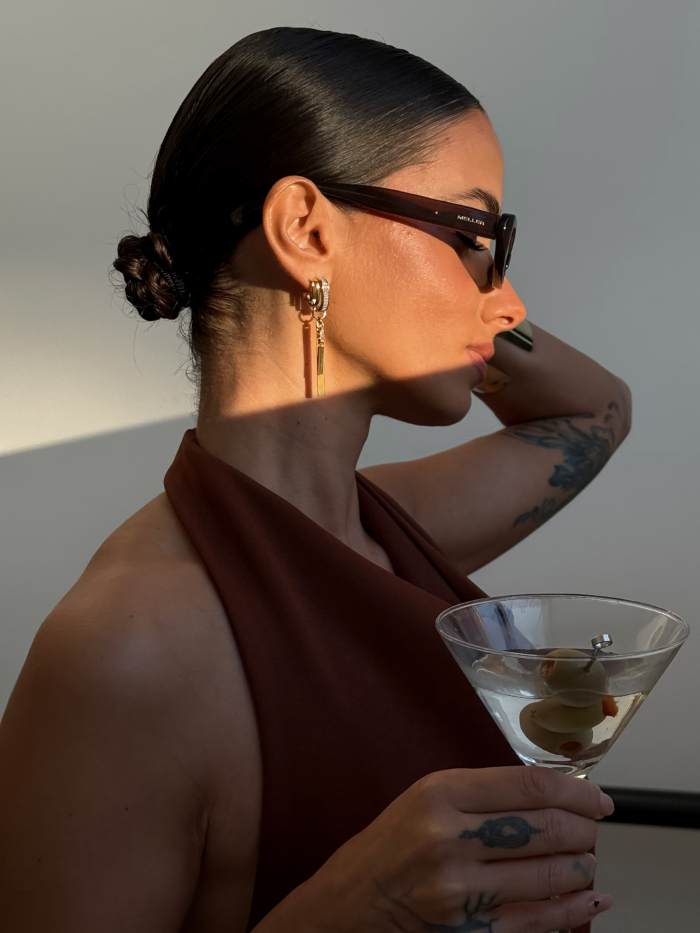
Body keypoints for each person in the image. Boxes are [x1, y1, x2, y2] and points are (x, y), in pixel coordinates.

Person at [0, 27, 629, 933]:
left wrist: (471, 310)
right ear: (306, 228)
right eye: (472, 234)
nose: (512, 299)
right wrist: (355, 910)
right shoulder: (128, 650)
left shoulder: (385, 526)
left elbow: (597, 408)